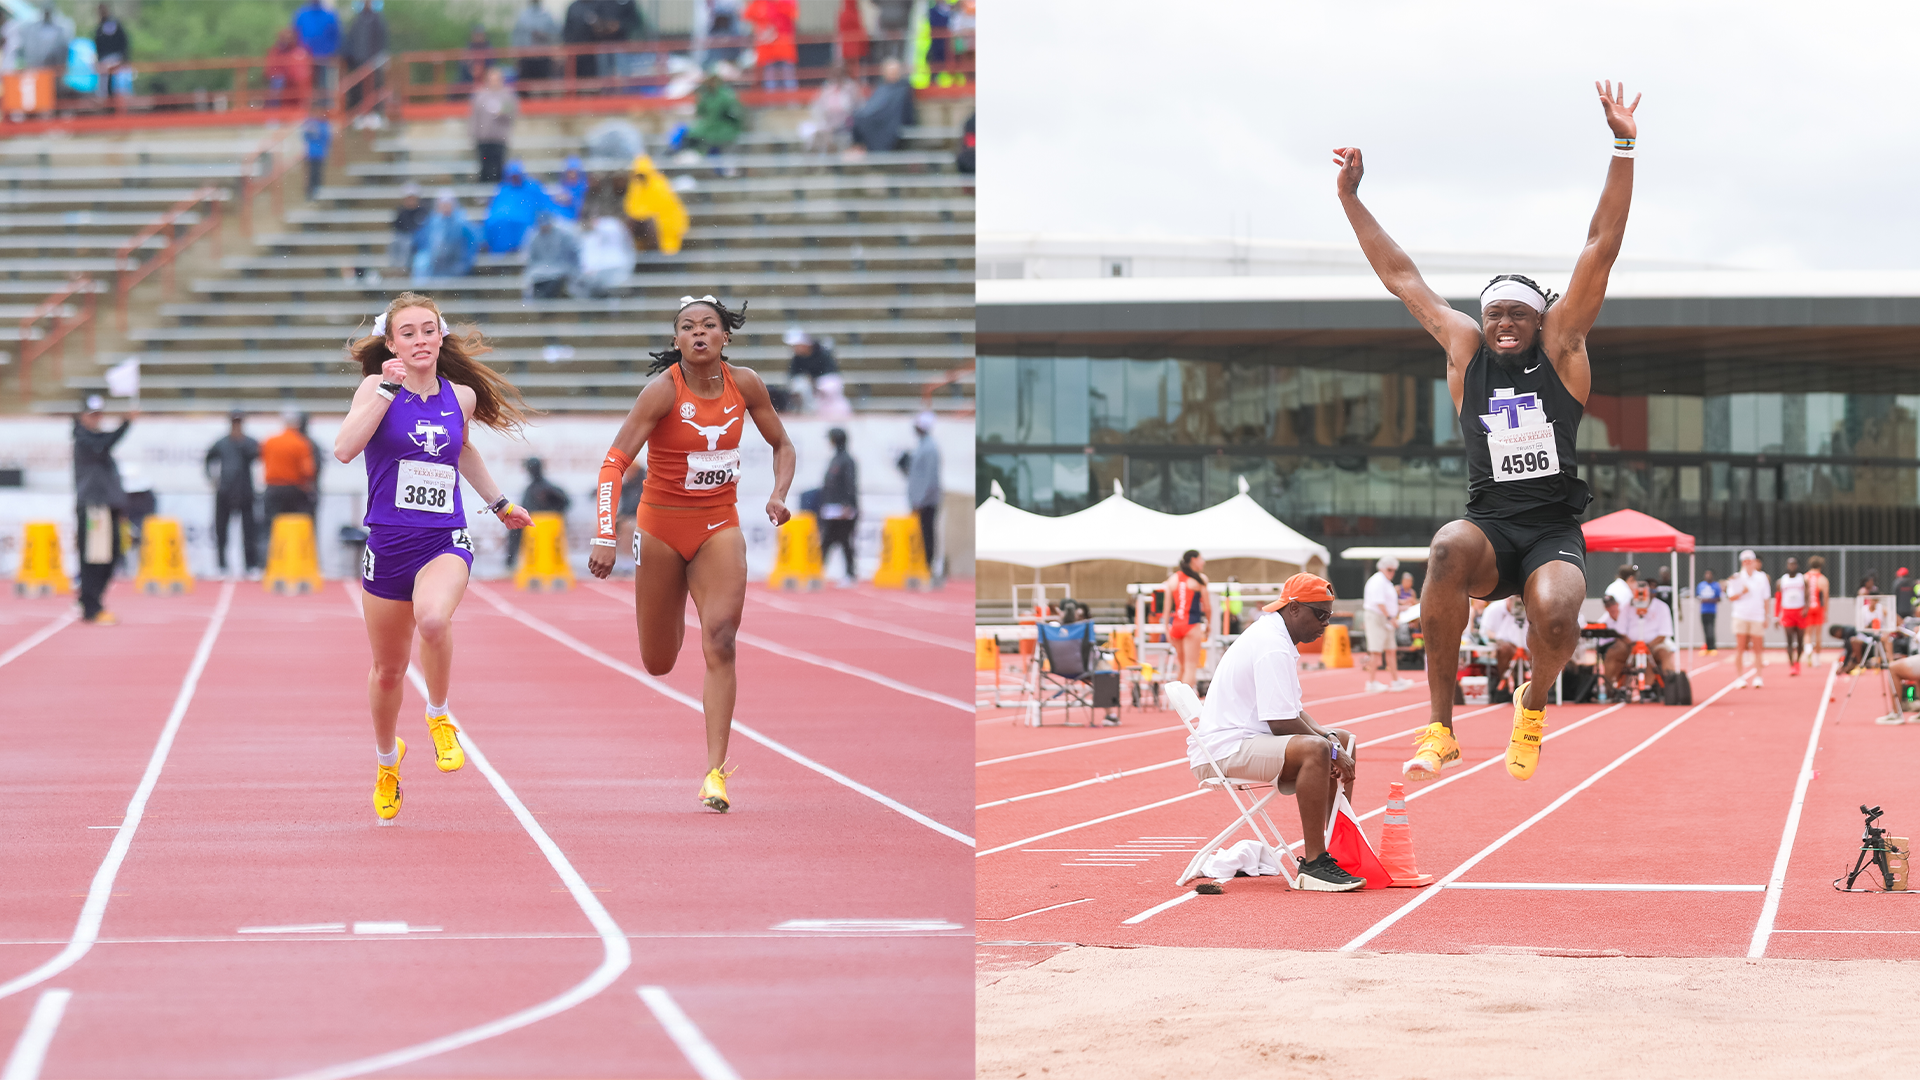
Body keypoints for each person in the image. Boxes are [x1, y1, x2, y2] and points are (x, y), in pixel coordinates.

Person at [1338, 80, 1639, 783]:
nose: (1503, 324)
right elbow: (1401, 277)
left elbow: (1602, 244)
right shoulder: (1465, 351)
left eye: (1518, 315)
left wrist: (1623, 146)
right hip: (1491, 526)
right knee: (1445, 546)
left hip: (1551, 531)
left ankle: (1531, 708)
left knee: (1559, 617)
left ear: (1541, 321)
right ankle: (1439, 727)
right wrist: (1352, 199)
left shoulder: (1563, 354)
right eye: (1494, 312)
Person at [587, 296, 798, 813]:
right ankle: (674, 604)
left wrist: (778, 494)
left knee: (722, 638)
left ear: (726, 336)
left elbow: (783, 445)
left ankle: (715, 773)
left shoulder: (744, 384)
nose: (699, 333)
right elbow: (614, 464)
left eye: (709, 325)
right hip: (660, 530)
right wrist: (605, 533)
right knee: (658, 661)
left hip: (718, 525)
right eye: (687, 327)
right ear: (676, 339)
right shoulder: (661, 392)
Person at [334, 292, 535, 822]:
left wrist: (499, 503)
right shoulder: (375, 388)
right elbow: (344, 448)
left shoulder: (460, 397)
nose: (421, 340)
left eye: (429, 330)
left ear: (441, 336)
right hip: (388, 544)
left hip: (443, 538)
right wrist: (385, 390)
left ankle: (440, 716)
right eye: (409, 333)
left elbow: (463, 448)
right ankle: (386, 763)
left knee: (433, 620)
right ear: (391, 342)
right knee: (386, 672)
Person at [1182, 573, 1364, 892]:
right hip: (1224, 750)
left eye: (1329, 615)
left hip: (1246, 740)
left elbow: (1290, 709)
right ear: (1293, 609)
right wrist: (1329, 748)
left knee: (1342, 738)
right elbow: (1281, 723)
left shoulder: (1276, 636)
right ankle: (1315, 862)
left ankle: (1340, 848)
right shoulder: (1272, 645)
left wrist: (1330, 737)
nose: (1325, 623)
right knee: (1318, 750)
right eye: (1319, 614)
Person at [73, 396, 133, 626]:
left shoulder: (93, 439)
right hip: (94, 507)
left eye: (99, 414)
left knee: (109, 555)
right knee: (96, 557)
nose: (97, 419)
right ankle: (91, 605)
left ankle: (91, 599)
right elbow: (105, 443)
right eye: (92, 414)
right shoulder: (83, 438)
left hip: (105, 506)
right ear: (82, 416)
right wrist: (125, 424)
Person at [204, 411, 262, 579]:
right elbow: (208, 459)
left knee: (249, 531)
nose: (236, 426)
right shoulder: (222, 443)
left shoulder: (249, 442)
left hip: (245, 491)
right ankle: (221, 565)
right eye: (234, 422)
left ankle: (250, 566)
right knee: (221, 531)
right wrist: (212, 478)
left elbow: (259, 457)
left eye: (239, 422)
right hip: (225, 491)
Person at [1603, 581, 1676, 691]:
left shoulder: (1662, 607)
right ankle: (1608, 688)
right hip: (1630, 644)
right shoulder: (1627, 607)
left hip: (1655, 644)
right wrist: (1632, 644)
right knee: (1613, 653)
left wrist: (1648, 646)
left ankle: (1669, 687)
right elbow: (1620, 632)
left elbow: (1663, 634)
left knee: (1664, 654)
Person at [503, 456, 571, 569]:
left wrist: (551, 511)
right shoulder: (530, 488)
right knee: (514, 530)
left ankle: (511, 563)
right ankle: (510, 563)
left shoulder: (548, 487)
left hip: (545, 525)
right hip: (530, 524)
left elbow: (566, 502)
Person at [1162, 551, 1212, 686]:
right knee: (1190, 667)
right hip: (1191, 625)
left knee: (1182, 666)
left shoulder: (1173, 579)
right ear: (1194, 560)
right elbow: (1207, 607)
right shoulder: (1200, 579)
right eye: (1201, 559)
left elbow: (1166, 608)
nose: (1203, 562)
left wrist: (1166, 629)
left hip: (1176, 625)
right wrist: (1209, 624)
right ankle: (1185, 704)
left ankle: (1177, 702)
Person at [1362, 556, 1411, 692]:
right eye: (1389, 569)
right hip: (1378, 617)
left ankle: (1395, 680)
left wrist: (1400, 608)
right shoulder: (1378, 580)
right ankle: (1371, 682)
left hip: (1386, 618)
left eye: (1394, 570)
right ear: (1382, 568)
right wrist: (1390, 617)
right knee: (1375, 651)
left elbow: (1387, 603)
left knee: (1391, 649)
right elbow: (1379, 602)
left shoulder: (1386, 582)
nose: (1392, 573)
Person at [484, 159, 555, 252]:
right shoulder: (503, 188)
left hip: (525, 219)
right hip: (502, 219)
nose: (514, 178)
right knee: (495, 222)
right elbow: (495, 207)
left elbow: (544, 204)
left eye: (516, 175)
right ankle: (501, 252)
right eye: (512, 176)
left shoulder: (532, 187)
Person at [622, 153, 688, 254]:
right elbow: (631, 208)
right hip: (648, 226)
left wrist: (643, 215)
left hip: (662, 226)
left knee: (649, 224)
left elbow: (664, 210)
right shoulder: (636, 186)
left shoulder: (659, 185)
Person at [1725, 549, 1771, 688]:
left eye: (1750, 561)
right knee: (1740, 648)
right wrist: (1741, 592)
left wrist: (1766, 616)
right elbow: (1731, 597)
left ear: (1754, 562)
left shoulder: (1762, 577)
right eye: (1745, 561)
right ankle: (1740, 677)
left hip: (1757, 616)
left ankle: (1758, 677)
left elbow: (1766, 598)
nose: (1747, 563)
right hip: (1740, 616)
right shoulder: (1736, 577)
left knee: (1758, 648)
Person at [850, 59, 915, 154]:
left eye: (895, 72)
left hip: (891, 124)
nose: (892, 74)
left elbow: (901, 114)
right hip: (876, 120)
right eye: (890, 72)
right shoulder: (881, 88)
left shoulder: (903, 90)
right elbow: (873, 107)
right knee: (859, 119)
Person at [820, 426, 859, 586]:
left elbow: (850, 485)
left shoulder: (846, 460)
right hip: (832, 509)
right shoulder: (835, 459)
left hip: (842, 509)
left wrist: (848, 505)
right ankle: (818, 571)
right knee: (828, 540)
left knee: (844, 541)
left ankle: (850, 574)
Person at [262, 411, 317, 521]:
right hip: (294, 490)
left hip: (272, 489)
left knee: (272, 524)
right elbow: (307, 471)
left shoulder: (270, 441)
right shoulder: (301, 443)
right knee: (295, 523)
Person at [907, 409, 942, 582]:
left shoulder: (930, 448)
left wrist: (919, 500)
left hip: (926, 501)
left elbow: (929, 478)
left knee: (927, 534)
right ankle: (924, 565)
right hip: (921, 499)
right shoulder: (922, 445)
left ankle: (929, 566)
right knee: (922, 534)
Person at [412, 191, 479, 279]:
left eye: (447, 204)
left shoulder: (462, 223)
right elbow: (423, 242)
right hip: (436, 263)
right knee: (421, 262)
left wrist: (464, 262)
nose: (445, 207)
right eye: (442, 204)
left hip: (455, 261)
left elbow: (471, 244)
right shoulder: (433, 221)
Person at [682, 67, 747, 155]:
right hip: (708, 128)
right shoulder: (705, 95)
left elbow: (736, 113)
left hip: (725, 128)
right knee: (688, 133)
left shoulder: (726, 95)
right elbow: (700, 112)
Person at [470, 68, 518, 184]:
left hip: (499, 139)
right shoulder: (480, 96)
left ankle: (497, 194)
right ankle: (484, 195)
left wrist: (502, 113)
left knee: (499, 168)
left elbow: (513, 115)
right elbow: (474, 117)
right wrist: (473, 135)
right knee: (484, 167)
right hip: (483, 139)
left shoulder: (507, 96)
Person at [801, 65, 863, 152]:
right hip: (827, 125)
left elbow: (859, 109)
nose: (837, 76)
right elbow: (816, 107)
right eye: (835, 74)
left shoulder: (852, 88)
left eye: (840, 73)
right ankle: (815, 157)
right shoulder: (826, 88)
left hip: (846, 126)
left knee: (832, 137)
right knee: (811, 131)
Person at [1478, 595, 1530, 697]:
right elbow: (1485, 632)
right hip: (1502, 644)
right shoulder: (1494, 609)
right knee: (1505, 649)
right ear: (1508, 600)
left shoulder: (1529, 609)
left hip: (1525, 645)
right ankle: (1504, 686)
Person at [342, 0, 388, 114]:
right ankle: (358, 113)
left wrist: (378, 58)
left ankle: (376, 113)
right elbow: (351, 40)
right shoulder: (357, 20)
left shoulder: (378, 19)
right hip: (358, 61)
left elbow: (382, 40)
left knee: (375, 88)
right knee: (358, 89)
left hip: (374, 63)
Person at [521, 212, 580, 299]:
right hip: (539, 270)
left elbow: (572, 252)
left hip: (561, 268)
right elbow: (531, 259)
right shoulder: (534, 238)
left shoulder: (563, 235)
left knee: (555, 282)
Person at [574, 214, 637, 296]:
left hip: (614, 271)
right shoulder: (585, 236)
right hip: (594, 276)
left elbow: (627, 248)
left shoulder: (611, 225)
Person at [744, 0, 797, 92]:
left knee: (787, 77)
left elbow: (793, 13)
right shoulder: (759, 3)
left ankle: (792, 103)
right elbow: (748, 15)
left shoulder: (785, 2)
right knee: (770, 79)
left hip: (784, 48)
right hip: (767, 49)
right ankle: (772, 104)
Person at [292, 0, 339, 95]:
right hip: (306, 58)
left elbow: (336, 36)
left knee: (324, 85)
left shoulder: (329, 15)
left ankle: (324, 107)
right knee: (306, 84)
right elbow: (294, 34)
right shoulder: (301, 15)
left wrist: (332, 52)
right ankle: (307, 107)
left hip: (324, 58)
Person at [785, 327, 838, 411]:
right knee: (800, 385)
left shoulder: (822, 353)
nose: (794, 348)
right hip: (808, 388)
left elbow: (831, 373)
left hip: (823, 385)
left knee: (828, 385)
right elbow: (793, 375)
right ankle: (804, 410)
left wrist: (815, 381)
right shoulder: (797, 358)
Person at [512, 0, 559, 86]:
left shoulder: (547, 16)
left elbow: (555, 36)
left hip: (543, 57)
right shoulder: (523, 16)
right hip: (527, 57)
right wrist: (517, 56)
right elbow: (517, 37)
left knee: (544, 85)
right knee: (525, 86)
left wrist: (544, 35)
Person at [1776, 556, 1809, 677]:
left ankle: (1798, 661)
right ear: (1787, 566)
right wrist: (1776, 616)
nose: (1792, 567)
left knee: (1800, 641)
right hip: (1787, 612)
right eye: (1790, 564)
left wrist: (1806, 608)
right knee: (1789, 640)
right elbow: (1778, 599)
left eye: (1794, 564)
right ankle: (1791, 665)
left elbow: (1807, 595)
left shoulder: (1803, 579)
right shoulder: (1781, 581)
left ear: (1797, 566)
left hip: (1800, 611)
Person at [266, 28, 314, 110]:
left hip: (297, 85)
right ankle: (273, 112)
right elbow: (270, 71)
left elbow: (304, 73)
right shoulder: (275, 52)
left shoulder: (300, 53)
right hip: (282, 83)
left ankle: (303, 108)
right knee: (277, 81)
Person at [387, 183, 427, 272]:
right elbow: (397, 228)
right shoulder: (401, 212)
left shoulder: (422, 212)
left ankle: (404, 268)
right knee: (395, 242)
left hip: (416, 239)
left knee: (407, 243)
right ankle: (394, 267)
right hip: (403, 237)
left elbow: (421, 229)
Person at [92, 4, 127, 100]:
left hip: (116, 58)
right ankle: (104, 100)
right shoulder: (100, 26)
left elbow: (123, 40)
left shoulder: (114, 24)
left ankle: (117, 100)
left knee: (118, 82)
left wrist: (124, 57)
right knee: (103, 82)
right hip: (103, 60)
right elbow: (97, 44)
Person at [302, 101, 331, 201]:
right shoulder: (309, 123)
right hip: (310, 153)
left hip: (319, 153)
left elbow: (326, 137)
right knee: (310, 174)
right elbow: (304, 136)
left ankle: (317, 193)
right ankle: (310, 193)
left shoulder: (323, 124)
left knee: (317, 174)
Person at [1804, 555, 1830, 662]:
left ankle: (1808, 649)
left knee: (1807, 633)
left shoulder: (1804, 577)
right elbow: (1825, 597)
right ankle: (1817, 658)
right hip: (1818, 608)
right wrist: (1826, 611)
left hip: (1808, 607)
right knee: (1818, 634)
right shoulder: (1823, 579)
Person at [551, 155, 589, 219]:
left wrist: (571, 199)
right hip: (561, 219)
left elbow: (583, 205)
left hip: (578, 219)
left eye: (574, 172)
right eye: (570, 172)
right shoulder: (561, 185)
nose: (572, 175)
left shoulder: (584, 187)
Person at [1696, 568, 1723, 655]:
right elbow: (1697, 596)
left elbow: (1719, 598)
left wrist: (1709, 600)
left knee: (1711, 629)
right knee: (1705, 629)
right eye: (1706, 574)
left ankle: (1712, 647)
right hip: (1703, 611)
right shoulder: (1701, 585)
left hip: (1711, 611)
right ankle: (1707, 646)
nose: (1708, 576)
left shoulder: (1716, 585)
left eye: (1709, 574)